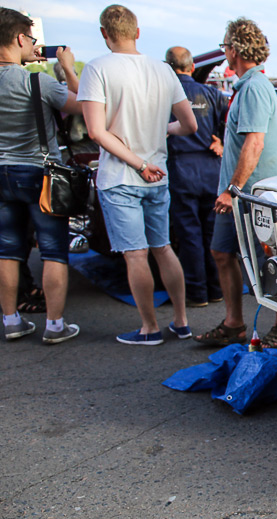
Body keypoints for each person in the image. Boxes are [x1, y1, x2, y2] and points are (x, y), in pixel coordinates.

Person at [78, 4, 198, 345]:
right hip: (158, 175)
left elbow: (96, 132)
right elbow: (189, 125)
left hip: (121, 177)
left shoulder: (97, 68)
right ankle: (181, 322)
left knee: (135, 255)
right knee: (163, 248)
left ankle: (149, 328)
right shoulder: (163, 70)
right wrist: (162, 132)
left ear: (104, 34)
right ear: (138, 32)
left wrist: (138, 164)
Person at [195, 17, 277, 349]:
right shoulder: (247, 86)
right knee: (222, 252)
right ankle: (234, 323)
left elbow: (255, 142)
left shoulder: (254, 87)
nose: (224, 52)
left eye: (225, 46)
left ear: (234, 50)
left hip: (251, 194)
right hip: (241, 192)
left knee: (267, 260)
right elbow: (247, 141)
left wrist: (231, 189)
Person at [0, 8, 82, 344]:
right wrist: (67, 67)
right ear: (21, 38)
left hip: (1, 173)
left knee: (7, 250)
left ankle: (11, 321)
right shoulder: (37, 81)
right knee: (52, 250)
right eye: (31, 39)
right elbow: (83, 104)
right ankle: (54, 325)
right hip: (39, 173)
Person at [164, 46, 227, 308]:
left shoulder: (164, 93)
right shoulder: (212, 93)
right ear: (191, 67)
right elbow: (229, 126)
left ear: (168, 67)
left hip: (181, 169)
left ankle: (197, 293)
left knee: (189, 234)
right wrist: (221, 142)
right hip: (211, 168)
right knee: (211, 232)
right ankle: (217, 289)